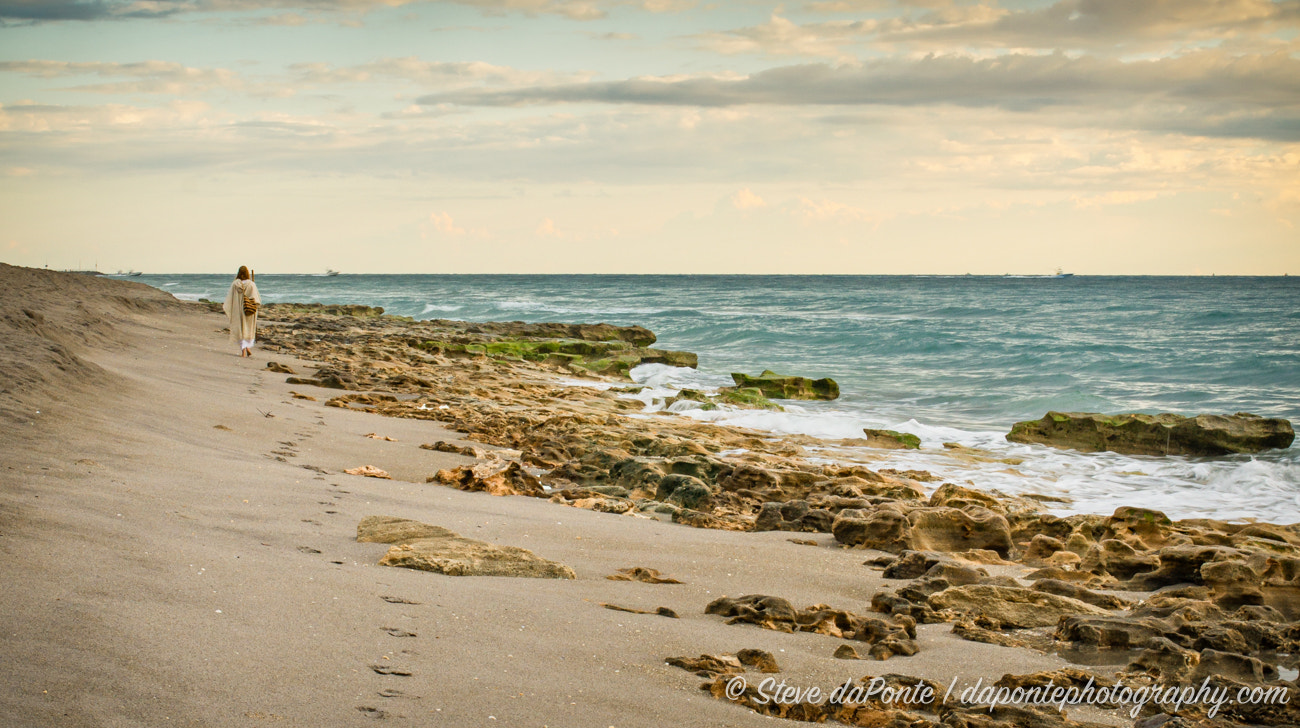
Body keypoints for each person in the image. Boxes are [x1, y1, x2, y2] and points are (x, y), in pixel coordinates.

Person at [223, 266, 261, 357]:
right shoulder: (251, 284)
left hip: (238, 310)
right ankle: (247, 347)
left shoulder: (235, 284)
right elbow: (256, 299)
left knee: (241, 329)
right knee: (248, 328)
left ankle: (244, 350)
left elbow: (229, 299)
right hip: (249, 310)